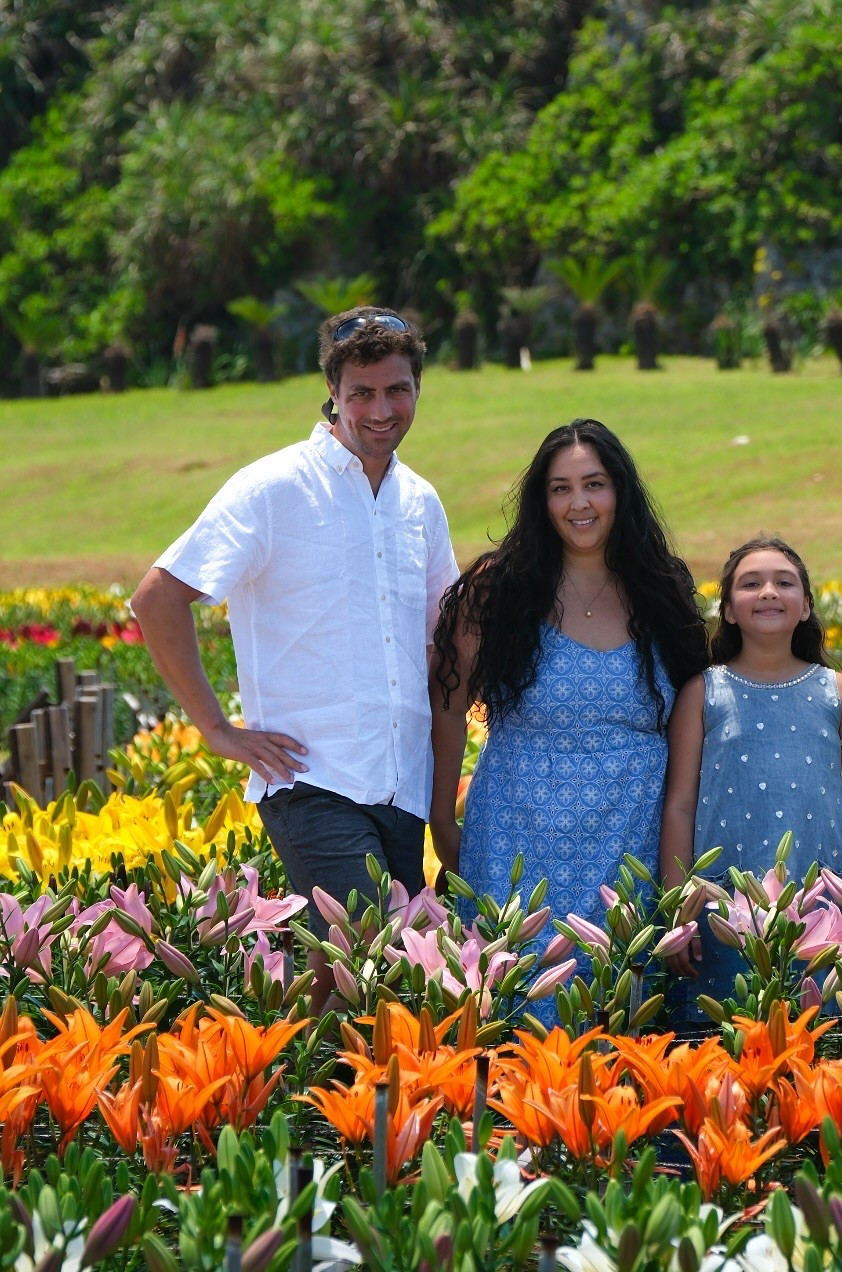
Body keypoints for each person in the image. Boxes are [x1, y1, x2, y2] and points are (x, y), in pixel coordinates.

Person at [131, 308, 458, 1003]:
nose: (381, 409)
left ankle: (306, 1099)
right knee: (369, 966)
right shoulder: (271, 489)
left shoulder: (420, 502)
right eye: (361, 393)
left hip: (403, 785)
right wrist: (217, 731)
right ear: (333, 394)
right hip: (312, 779)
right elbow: (156, 599)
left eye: (396, 390)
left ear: (417, 390)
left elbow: (444, 641)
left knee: (371, 978)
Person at [428, 419, 709, 949]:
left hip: (635, 843)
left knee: (623, 1014)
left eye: (594, 484)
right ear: (542, 501)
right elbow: (447, 705)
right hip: (514, 838)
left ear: (621, 492)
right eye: (561, 489)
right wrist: (442, 820)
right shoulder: (497, 592)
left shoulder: (662, 590)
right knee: (514, 1002)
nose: (579, 503)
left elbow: (695, 718)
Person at [660, 536, 842, 1003]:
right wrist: (677, 908)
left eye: (784, 582)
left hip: (821, 915)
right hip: (719, 913)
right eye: (750, 583)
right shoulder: (703, 692)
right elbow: (679, 807)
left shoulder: (839, 693)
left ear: (805, 607)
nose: (768, 592)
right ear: (729, 611)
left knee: (816, 1053)